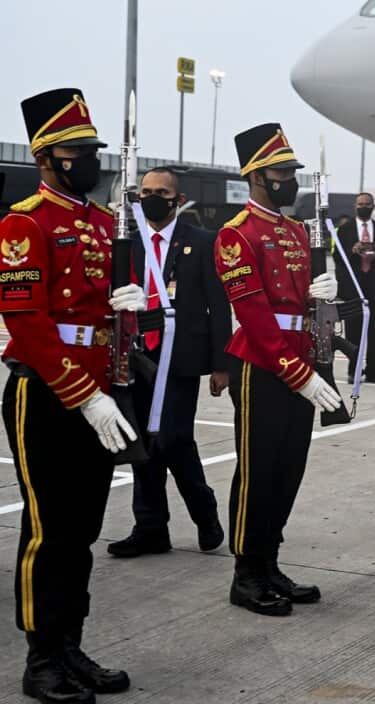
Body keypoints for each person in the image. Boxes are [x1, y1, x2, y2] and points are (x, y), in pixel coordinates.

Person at [0, 87, 143, 703]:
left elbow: (109, 314)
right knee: (48, 531)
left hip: (100, 391)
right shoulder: (25, 222)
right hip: (48, 393)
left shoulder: (105, 224)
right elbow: (26, 322)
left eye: (92, 150)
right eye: (78, 151)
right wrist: (85, 394)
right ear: (47, 157)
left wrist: (133, 308)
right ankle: (41, 660)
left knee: (82, 530)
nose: (91, 160)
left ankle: (69, 645)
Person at [213, 122, 343, 617]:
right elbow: (254, 316)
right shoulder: (236, 234)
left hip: (300, 360)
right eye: (283, 173)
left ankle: (269, 563)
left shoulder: (296, 231)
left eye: (292, 172)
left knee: (289, 468)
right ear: (257, 176)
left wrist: (322, 297)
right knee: (258, 471)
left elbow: (300, 306)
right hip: (263, 365)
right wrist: (298, 373)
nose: (291, 180)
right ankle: (246, 573)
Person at [108, 166, 229, 559]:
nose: (152, 198)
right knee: (142, 444)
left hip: (180, 357)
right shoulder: (128, 244)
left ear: (179, 199)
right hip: (137, 355)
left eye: (161, 192)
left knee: (175, 439)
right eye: (146, 192)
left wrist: (221, 364)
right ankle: (150, 528)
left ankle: (204, 513)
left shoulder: (202, 241)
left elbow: (218, 305)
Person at [334, 192, 375, 384]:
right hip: (353, 289)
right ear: (355, 206)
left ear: (373, 206)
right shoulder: (344, 230)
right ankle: (354, 370)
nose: (363, 207)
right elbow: (338, 258)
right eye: (360, 204)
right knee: (353, 332)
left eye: (367, 204)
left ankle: (374, 370)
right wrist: (353, 250)